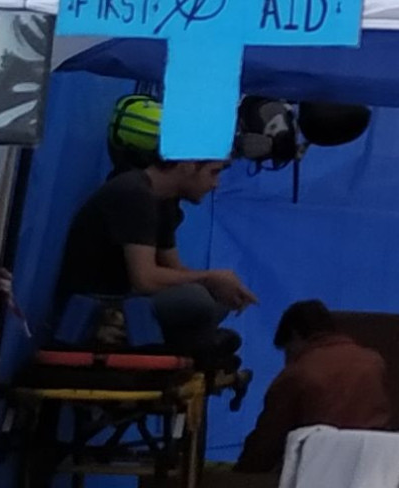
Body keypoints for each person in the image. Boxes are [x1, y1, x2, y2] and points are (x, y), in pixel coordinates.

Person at [51, 93, 252, 365]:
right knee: (196, 299)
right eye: (213, 173)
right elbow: (144, 279)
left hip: (132, 302)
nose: (215, 185)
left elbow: (174, 270)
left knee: (216, 299)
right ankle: (180, 342)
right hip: (100, 304)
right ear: (186, 165)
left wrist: (218, 285)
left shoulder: (164, 202)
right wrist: (209, 277)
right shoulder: (134, 194)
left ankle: (191, 342)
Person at [231, 298, 397, 488]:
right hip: (370, 478)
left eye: (287, 350)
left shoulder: (297, 374)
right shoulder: (373, 362)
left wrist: (238, 476)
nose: (287, 359)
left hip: (315, 482)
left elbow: (267, 443)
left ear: (295, 336)